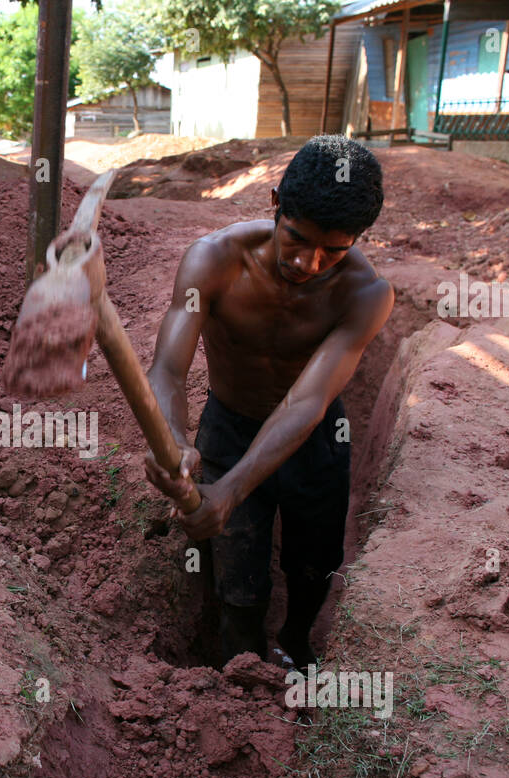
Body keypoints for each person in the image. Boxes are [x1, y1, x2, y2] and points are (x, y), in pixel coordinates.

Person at [143, 135, 393, 670]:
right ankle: (239, 662)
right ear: (276, 203)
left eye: (334, 250)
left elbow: (306, 402)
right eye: (297, 239)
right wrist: (173, 441)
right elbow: (167, 367)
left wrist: (228, 491)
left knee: (315, 562)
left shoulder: (366, 294)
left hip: (317, 440)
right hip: (228, 427)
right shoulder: (214, 260)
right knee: (236, 567)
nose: (308, 262)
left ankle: (296, 644)